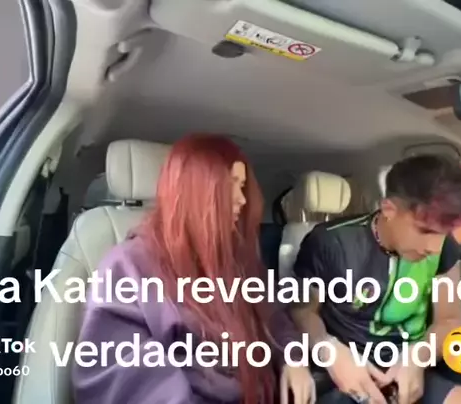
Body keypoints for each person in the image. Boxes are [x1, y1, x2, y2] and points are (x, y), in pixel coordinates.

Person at [289, 154, 461, 404]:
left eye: (445, 233)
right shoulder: (331, 242)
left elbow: (449, 319)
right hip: (370, 369)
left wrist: (418, 357)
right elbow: (302, 312)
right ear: (389, 209)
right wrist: (329, 350)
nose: (435, 248)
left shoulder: (443, 247)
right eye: (425, 231)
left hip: (427, 352)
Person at [72, 134, 314, 404]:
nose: (241, 199)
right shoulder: (128, 266)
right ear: (196, 191)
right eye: (230, 185)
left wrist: (293, 359)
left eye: (242, 186)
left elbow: (274, 318)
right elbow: (125, 378)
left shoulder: (236, 261)